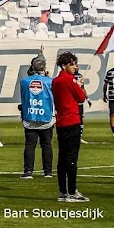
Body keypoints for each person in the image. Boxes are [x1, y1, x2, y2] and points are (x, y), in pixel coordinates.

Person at [52, 52, 88, 202]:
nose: (75, 67)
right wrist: (79, 85)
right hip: (72, 121)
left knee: (62, 158)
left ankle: (63, 191)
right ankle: (72, 192)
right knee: (72, 158)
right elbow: (81, 98)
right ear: (64, 65)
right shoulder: (69, 80)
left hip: (61, 122)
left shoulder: (55, 81)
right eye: (72, 64)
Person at [19, 56, 54, 179]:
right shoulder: (50, 81)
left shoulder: (24, 81)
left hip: (30, 116)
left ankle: (28, 172)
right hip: (46, 117)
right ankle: (48, 172)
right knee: (46, 145)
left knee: (30, 145)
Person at [104, 62, 114, 140]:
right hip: (112, 97)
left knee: (112, 115)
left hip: (112, 96)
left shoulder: (109, 72)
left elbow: (105, 84)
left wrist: (104, 94)